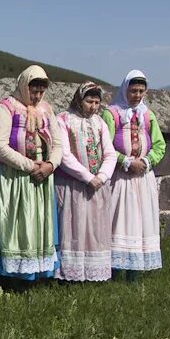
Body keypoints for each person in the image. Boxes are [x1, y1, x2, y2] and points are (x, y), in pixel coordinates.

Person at [0, 65, 62, 281]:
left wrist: (50, 165)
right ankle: (6, 273)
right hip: (10, 176)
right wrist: (30, 166)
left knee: (34, 221)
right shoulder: (6, 107)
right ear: (24, 85)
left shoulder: (46, 110)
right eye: (34, 90)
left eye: (41, 91)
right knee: (11, 222)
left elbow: (58, 143)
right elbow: (0, 145)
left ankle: (33, 270)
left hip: (40, 177)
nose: (37, 96)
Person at [100, 70, 166, 280]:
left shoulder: (148, 115)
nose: (137, 95)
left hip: (143, 178)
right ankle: (114, 271)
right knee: (120, 220)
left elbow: (159, 145)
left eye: (141, 91)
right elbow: (106, 145)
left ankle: (134, 273)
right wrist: (126, 161)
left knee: (141, 221)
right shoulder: (112, 114)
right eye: (133, 90)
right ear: (125, 89)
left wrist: (146, 161)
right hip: (121, 177)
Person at [54, 82, 117, 282]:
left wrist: (102, 176)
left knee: (94, 228)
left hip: (97, 185)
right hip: (72, 184)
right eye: (89, 101)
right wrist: (87, 177)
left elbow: (109, 152)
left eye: (97, 102)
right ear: (79, 100)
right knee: (72, 226)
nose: (93, 106)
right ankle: (68, 273)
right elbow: (64, 154)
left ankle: (91, 271)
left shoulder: (99, 123)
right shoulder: (64, 120)